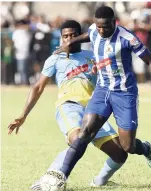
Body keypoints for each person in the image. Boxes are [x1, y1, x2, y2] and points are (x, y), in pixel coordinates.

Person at [53, 5, 151, 185]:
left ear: (114, 22)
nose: (101, 30)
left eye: (106, 26)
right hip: (102, 91)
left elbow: (150, 61)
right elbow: (88, 35)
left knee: (128, 146)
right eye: (98, 26)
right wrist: (70, 42)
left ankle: (146, 149)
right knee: (85, 132)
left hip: (124, 94)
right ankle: (61, 177)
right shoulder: (94, 31)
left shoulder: (127, 38)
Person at [7, 20, 128, 190]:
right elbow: (38, 87)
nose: (68, 39)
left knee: (120, 154)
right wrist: (23, 115)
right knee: (79, 139)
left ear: (81, 37)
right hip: (68, 107)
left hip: (93, 111)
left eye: (73, 36)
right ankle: (47, 180)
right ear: (61, 38)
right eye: (65, 36)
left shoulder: (93, 56)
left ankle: (99, 181)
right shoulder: (55, 58)